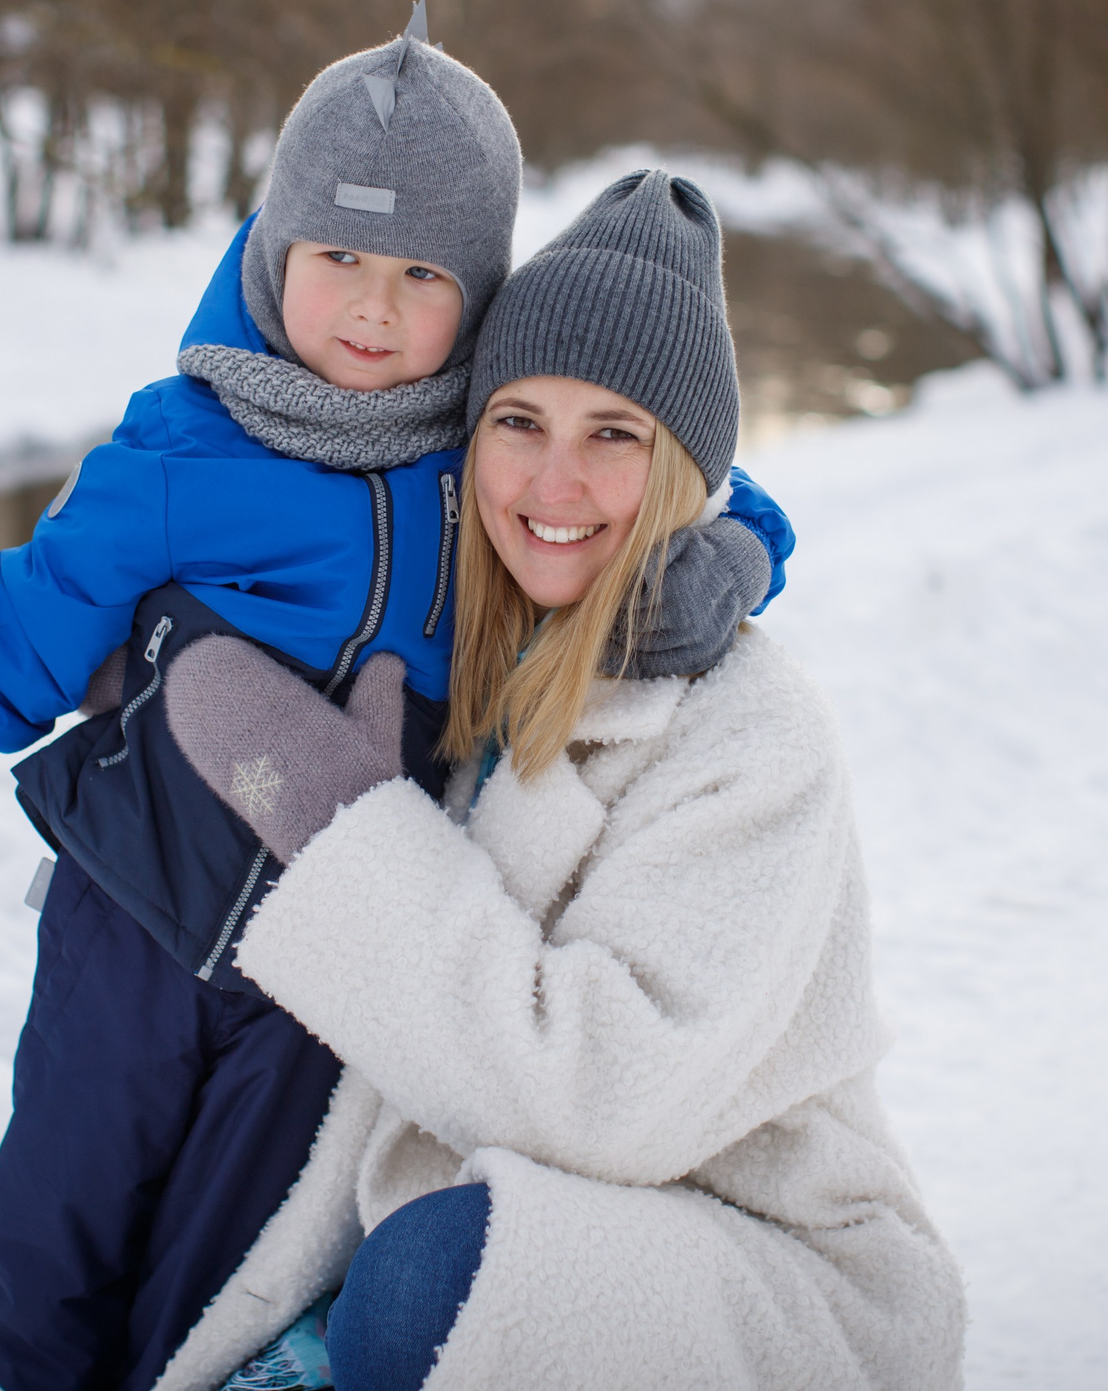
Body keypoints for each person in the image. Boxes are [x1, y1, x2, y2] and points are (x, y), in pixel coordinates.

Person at [0, 15, 798, 1391]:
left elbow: (676, 469)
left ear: (476, 291)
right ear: (274, 251)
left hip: (325, 965)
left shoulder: (481, 456)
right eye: (339, 257)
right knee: (60, 1226)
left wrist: (738, 555)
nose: (371, 306)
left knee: (219, 1267)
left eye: (420, 271)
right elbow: (10, 630)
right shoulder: (181, 448)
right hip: (128, 920)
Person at [159, 169, 965, 1391]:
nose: (553, 484)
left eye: (614, 436)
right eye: (519, 422)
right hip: (531, 1186)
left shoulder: (753, 735)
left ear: (683, 474)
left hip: (766, 1255)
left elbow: (609, 1101)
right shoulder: (472, 662)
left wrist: (344, 828)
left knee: (438, 1287)